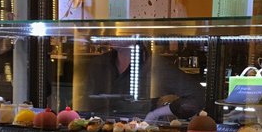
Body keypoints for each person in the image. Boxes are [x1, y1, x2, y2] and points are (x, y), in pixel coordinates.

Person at [76, 40, 206, 118]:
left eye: (122, 27)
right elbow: (84, 107)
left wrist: (156, 114)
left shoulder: (155, 65)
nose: (115, 31)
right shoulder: (99, 64)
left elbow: (198, 96)